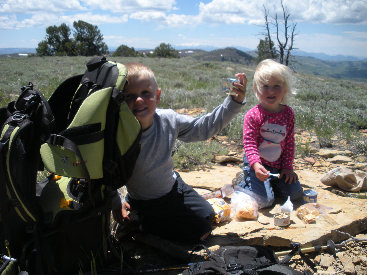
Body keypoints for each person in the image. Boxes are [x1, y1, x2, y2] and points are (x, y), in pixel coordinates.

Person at [113, 62, 247, 243]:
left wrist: (233, 102)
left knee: (208, 215)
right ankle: (142, 221)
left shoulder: (168, 119)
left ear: (158, 95)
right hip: (146, 201)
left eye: (146, 93)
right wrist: (117, 202)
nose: (138, 100)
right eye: (130, 96)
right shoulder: (120, 134)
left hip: (174, 187)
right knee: (200, 233)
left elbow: (204, 127)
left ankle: (156, 221)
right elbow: (105, 172)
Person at [238, 59, 303, 209]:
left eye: (276, 86)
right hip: (257, 164)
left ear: (285, 89)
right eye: (265, 86)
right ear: (257, 88)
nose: (271, 91)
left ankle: (270, 184)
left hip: (278, 166)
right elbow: (249, 143)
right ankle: (246, 180)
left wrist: (287, 168)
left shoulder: (288, 114)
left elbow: (289, 143)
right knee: (265, 200)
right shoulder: (253, 115)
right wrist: (255, 164)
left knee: (296, 195)